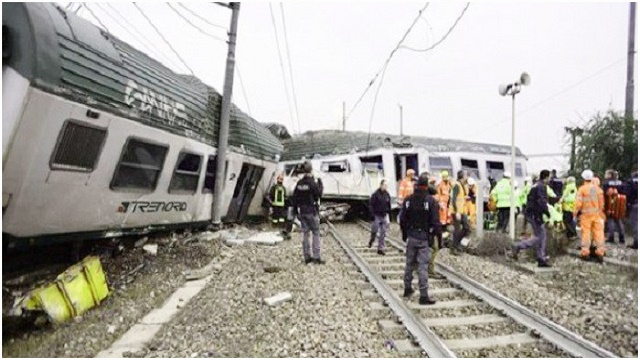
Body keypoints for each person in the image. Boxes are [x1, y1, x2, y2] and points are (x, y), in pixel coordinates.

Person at [400, 173, 439, 305]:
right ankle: (423, 296)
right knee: (422, 266)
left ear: (416, 185)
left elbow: (402, 219)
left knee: (409, 263)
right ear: (427, 185)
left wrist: (405, 234)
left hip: (411, 236)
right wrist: (434, 237)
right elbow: (435, 222)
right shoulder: (431, 201)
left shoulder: (408, 200)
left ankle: (407, 288)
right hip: (424, 237)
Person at [511, 170, 552, 267]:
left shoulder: (535, 185)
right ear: (545, 177)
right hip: (535, 214)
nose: (550, 179)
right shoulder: (541, 186)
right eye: (549, 177)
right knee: (540, 236)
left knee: (541, 235)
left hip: (531, 212)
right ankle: (518, 246)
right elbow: (542, 201)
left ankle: (540, 257)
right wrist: (547, 213)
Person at [292, 162, 324, 264]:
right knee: (315, 232)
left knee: (305, 234)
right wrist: (320, 183)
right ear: (311, 170)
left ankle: (307, 257)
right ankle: (316, 257)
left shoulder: (299, 183)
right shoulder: (312, 182)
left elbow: (294, 197)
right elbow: (318, 194)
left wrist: (295, 210)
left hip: (302, 211)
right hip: (311, 210)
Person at [574, 169, 606, 262]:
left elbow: (578, 204)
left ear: (583, 178)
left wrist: (575, 213)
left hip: (586, 215)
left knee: (586, 234)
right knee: (599, 234)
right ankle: (600, 253)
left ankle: (585, 253)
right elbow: (602, 204)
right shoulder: (598, 189)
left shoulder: (582, 189)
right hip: (596, 215)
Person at [603, 170, 627, 245]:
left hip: (610, 204)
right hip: (619, 204)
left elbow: (603, 194)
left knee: (610, 220)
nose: (605, 175)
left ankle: (611, 237)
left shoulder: (606, 183)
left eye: (606, 174)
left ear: (610, 175)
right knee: (619, 220)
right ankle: (622, 238)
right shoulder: (621, 182)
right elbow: (625, 193)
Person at [369, 179, 391, 256]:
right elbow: (371, 204)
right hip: (377, 215)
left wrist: (389, 213)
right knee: (374, 231)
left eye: (386, 185)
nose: (385, 187)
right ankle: (372, 240)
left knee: (383, 233)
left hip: (384, 215)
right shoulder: (375, 194)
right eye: (384, 185)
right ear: (381, 185)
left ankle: (380, 248)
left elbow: (389, 204)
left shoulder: (387, 194)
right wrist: (372, 215)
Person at [450, 170, 470, 255]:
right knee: (457, 229)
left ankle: (457, 243)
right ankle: (454, 248)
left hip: (462, 210)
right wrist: (456, 211)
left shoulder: (463, 185)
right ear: (462, 176)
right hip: (456, 211)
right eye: (466, 175)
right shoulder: (457, 185)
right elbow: (454, 199)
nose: (467, 176)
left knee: (466, 228)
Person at [267, 174, 290, 239]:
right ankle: (274, 228)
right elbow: (270, 195)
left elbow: (285, 197)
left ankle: (280, 228)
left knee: (281, 218)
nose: (281, 180)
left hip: (281, 205)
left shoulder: (283, 188)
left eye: (282, 179)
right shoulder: (274, 187)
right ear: (277, 179)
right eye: (280, 179)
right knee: (275, 218)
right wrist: (271, 203)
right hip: (275, 205)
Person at [626, 171, 638, 249]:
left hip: (635, 204)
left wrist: (628, 203)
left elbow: (627, 193)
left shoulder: (630, 181)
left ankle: (637, 242)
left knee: (636, 224)